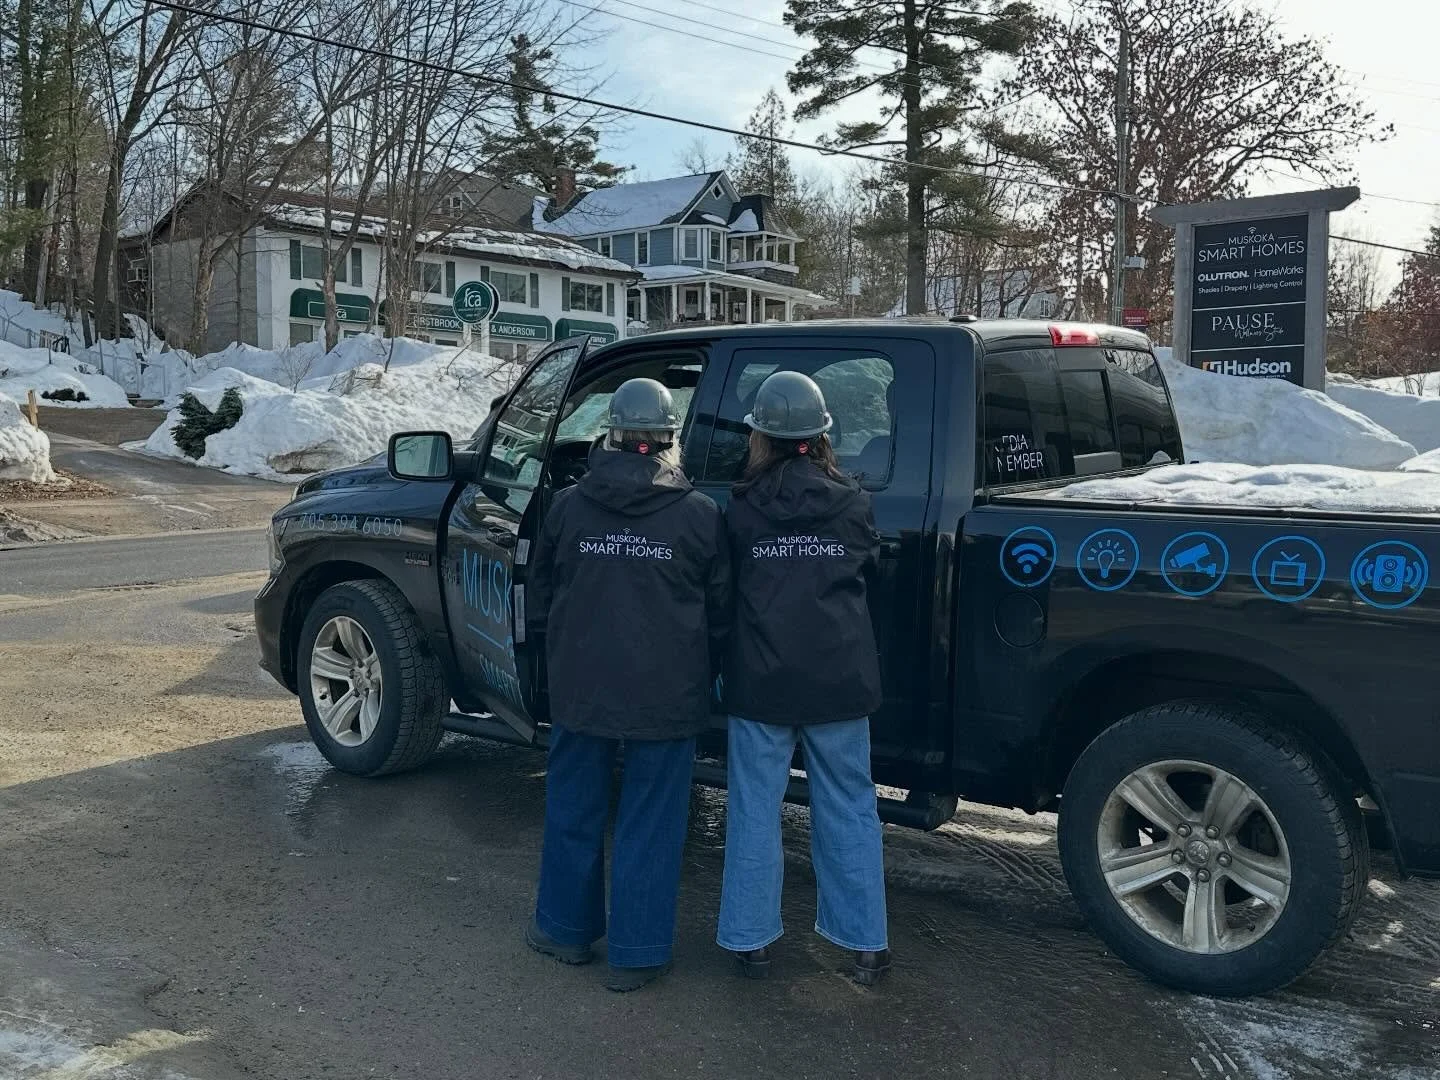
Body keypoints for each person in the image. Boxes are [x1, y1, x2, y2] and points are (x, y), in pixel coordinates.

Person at [525, 377, 729, 993]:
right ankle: (637, 955)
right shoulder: (700, 515)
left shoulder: (568, 507)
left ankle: (563, 931)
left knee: (573, 808)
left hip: (582, 687)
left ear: (611, 434)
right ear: (670, 439)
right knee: (651, 820)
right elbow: (721, 615)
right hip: (666, 696)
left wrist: (549, 666)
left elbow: (539, 597)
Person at [716, 370, 890, 987]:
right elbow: (871, 586)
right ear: (820, 437)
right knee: (848, 806)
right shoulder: (855, 504)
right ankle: (865, 942)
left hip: (761, 685)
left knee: (755, 811)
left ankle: (749, 940)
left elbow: (726, 596)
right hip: (840, 684)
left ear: (761, 435)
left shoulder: (738, 510)